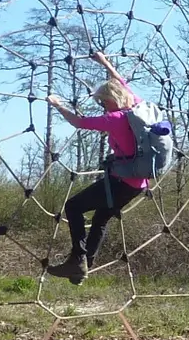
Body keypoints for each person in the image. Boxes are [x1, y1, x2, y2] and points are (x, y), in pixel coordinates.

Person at [44, 51, 150, 284]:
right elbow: (120, 82)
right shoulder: (138, 106)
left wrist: (57, 105)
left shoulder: (115, 118)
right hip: (138, 182)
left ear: (112, 99)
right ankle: (84, 266)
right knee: (101, 218)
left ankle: (78, 260)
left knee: (73, 206)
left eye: (103, 101)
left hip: (120, 182)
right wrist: (105, 62)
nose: (102, 106)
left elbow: (79, 122)